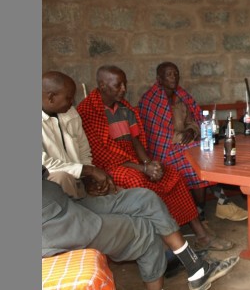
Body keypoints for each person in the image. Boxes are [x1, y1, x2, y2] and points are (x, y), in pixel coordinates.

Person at [77, 65, 233, 251]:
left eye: (124, 84)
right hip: (109, 167)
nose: (124, 89)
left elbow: (135, 140)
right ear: (102, 85)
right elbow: (102, 155)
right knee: (140, 183)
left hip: (134, 161)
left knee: (171, 175)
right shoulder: (88, 111)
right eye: (118, 85)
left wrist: (149, 163)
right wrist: (143, 169)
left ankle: (201, 235)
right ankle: (167, 244)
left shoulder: (124, 108)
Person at [42, 165, 239, 290]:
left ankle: (195, 267)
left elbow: (46, 172)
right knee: (146, 232)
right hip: (55, 224)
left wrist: (85, 176)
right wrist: (87, 170)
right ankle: (196, 269)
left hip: (62, 202)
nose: (70, 102)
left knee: (144, 198)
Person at [138, 61, 248, 222]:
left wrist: (191, 130)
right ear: (159, 79)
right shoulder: (151, 100)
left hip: (184, 144)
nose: (174, 77)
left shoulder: (181, 96)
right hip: (162, 151)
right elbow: (156, 133)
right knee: (193, 159)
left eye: (176, 74)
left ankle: (210, 208)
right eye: (169, 74)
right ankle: (217, 206)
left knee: (205, 152)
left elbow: (193, 121)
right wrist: (182, 138)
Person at [42, 71, 116, 198]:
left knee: (117, 193)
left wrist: (88, 179)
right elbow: (45, 165)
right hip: (48, 189)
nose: (73, 102)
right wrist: (90, 171)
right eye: (69, 98)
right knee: (61, 177)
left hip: (76, 181)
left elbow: (84, 151)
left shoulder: (70, 113)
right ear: (51, 97)